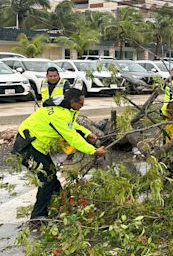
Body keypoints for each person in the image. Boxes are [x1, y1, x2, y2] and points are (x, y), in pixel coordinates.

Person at [11, 88, 106, 226]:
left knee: (51, 173)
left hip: (37, 146)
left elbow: (72, 125)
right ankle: (38, 216)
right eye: (81, 104)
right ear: (73, 102)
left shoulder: (64, 108)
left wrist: (86, 133)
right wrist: (93, 151)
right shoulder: (59, 115)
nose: (81, 107)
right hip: (27, 147)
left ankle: (63, 202)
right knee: (46, 179)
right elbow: (72, 138)